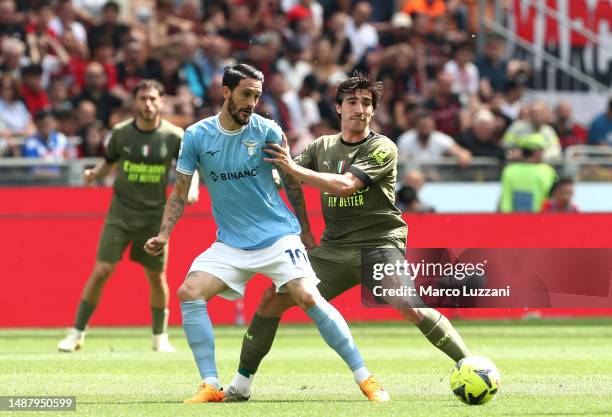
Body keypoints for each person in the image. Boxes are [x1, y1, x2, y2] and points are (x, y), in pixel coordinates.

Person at [143, 64, 388, 403]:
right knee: (189, 291)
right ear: (225, 92)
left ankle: (366, 379)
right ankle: (210, 384)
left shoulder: (268, 131)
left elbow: (291, 183)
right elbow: (180, 190)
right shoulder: (197, 136)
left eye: (257, 96)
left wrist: (304, 231)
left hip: (277, 236)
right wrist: (164, 234)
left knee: (306, 295)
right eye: (246, 94)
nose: (252, 102)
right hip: (231, 241)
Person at [222, 74, 471, 402]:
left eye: (367, 103)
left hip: (380, 246)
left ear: (373, 111)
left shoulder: (382, 147)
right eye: (352, 102)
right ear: (338, 107)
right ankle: (241, 385)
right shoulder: (321, 147)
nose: (360, 109)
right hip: (334, 249)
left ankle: (469, 365)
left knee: (410, 307)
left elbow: (346, 185)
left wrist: (293, 170)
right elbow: (284, 177)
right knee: (271, 299)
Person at [57, 80, 199, 353]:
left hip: (154, 218)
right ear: (135, 102)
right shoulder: (121, 133)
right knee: (101, 271)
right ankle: (76, 333)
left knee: (157, 277)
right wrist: (93, 174)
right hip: (120, 215)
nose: (148, 104)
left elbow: (189, 169)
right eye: (143, 98)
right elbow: (108, 162)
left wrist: (192, 188)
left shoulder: (173, 136)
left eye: (153, 99)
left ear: (161, 102)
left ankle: (160, 337)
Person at [499, 133, 557, 213]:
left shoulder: (509, 170)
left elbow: (506, 201)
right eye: (542, 150)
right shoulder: (548, 171)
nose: (543, 153)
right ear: (536, 152)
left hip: (513, 220)